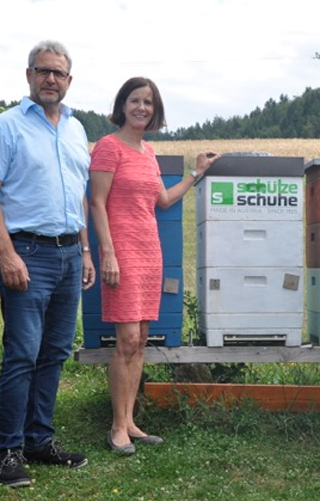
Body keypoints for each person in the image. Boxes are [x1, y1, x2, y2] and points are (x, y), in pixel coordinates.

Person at [0, 40, 95, 486]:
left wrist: (84, 250)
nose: (50, 79)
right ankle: (7, 451)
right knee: (22, 354)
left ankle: (39, 441)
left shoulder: (78, 130)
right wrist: (7, 253)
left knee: (55, 353)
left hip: (67, 255)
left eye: (58, 73)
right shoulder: (5, 126)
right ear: (28, 75)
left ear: (69, 81)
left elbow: (78, 194)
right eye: (42, 71)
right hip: (28, 254)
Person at [89, 77, 220, 455]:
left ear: (154, 110)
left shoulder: (147, 152)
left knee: (142, 341)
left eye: (148, 102)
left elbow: (162, 199)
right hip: (122, 253)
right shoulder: (108, 147)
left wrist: (197, 172)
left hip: (150, 253)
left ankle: (130, 421)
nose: (141, 107)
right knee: (126, 341)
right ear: (122, 105)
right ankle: (116, 427)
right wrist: (108, 253)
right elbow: (97, 203)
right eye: (135, 100)